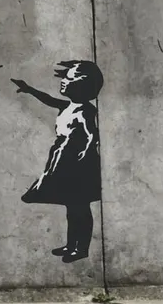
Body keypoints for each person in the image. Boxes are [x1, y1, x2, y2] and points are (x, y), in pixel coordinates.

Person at [11, 60, 104, 263]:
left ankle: (81, 249)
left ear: (81, 85)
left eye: (68, 79)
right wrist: (29, 89)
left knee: (80, 207)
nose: (63, 81)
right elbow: (48, 99)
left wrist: (85, 152)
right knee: (72, 208)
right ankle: (71, 245)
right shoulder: (68, 106)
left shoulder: (85, 111)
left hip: (78, 161)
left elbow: (92, 135)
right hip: (64, 156)